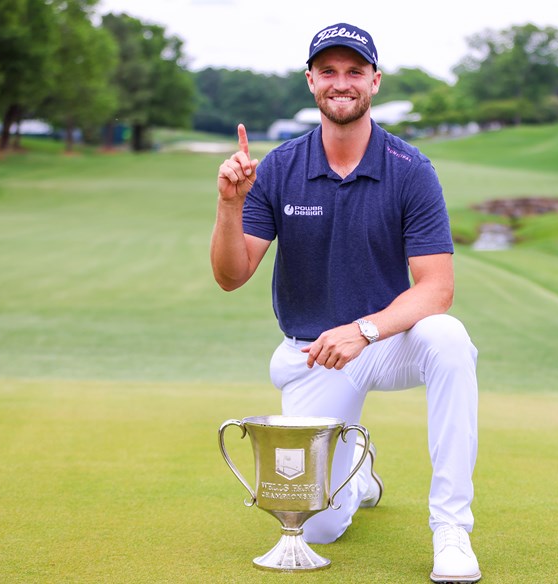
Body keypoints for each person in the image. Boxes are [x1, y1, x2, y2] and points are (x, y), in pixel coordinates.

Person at [211, 22, 481, 583]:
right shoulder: (280, 168)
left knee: (449, 337)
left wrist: (364, 330)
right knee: (315, 528)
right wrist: (230, 205)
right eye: (328, 71)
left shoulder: (411, 170)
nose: (341, 82)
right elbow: (231, 276)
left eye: (354, 71)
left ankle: (452, 528)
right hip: (314, 352)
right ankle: (358, 479)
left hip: (386, 341)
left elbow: (437, 288)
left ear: (374, 81)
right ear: (311, 81)